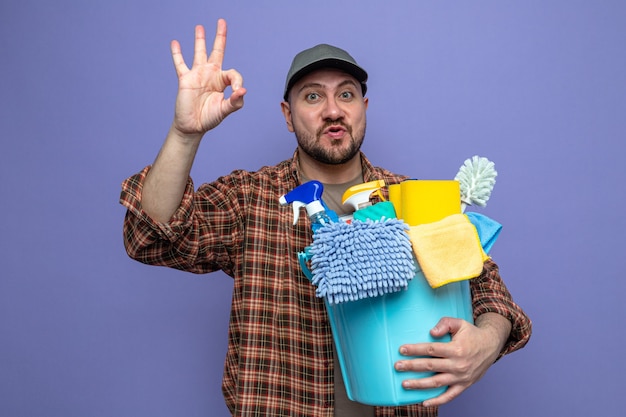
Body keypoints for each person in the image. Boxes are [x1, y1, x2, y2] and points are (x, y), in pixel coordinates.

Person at [120, 18, 531, 417]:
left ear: (364, 107)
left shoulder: (415, 199)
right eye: (313, 96)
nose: (333, 110)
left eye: (347, 95)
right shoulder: (249, 198)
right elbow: (152, 236)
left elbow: (490, 293)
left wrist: (487, 341)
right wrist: (184, 132)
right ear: (287, 114)